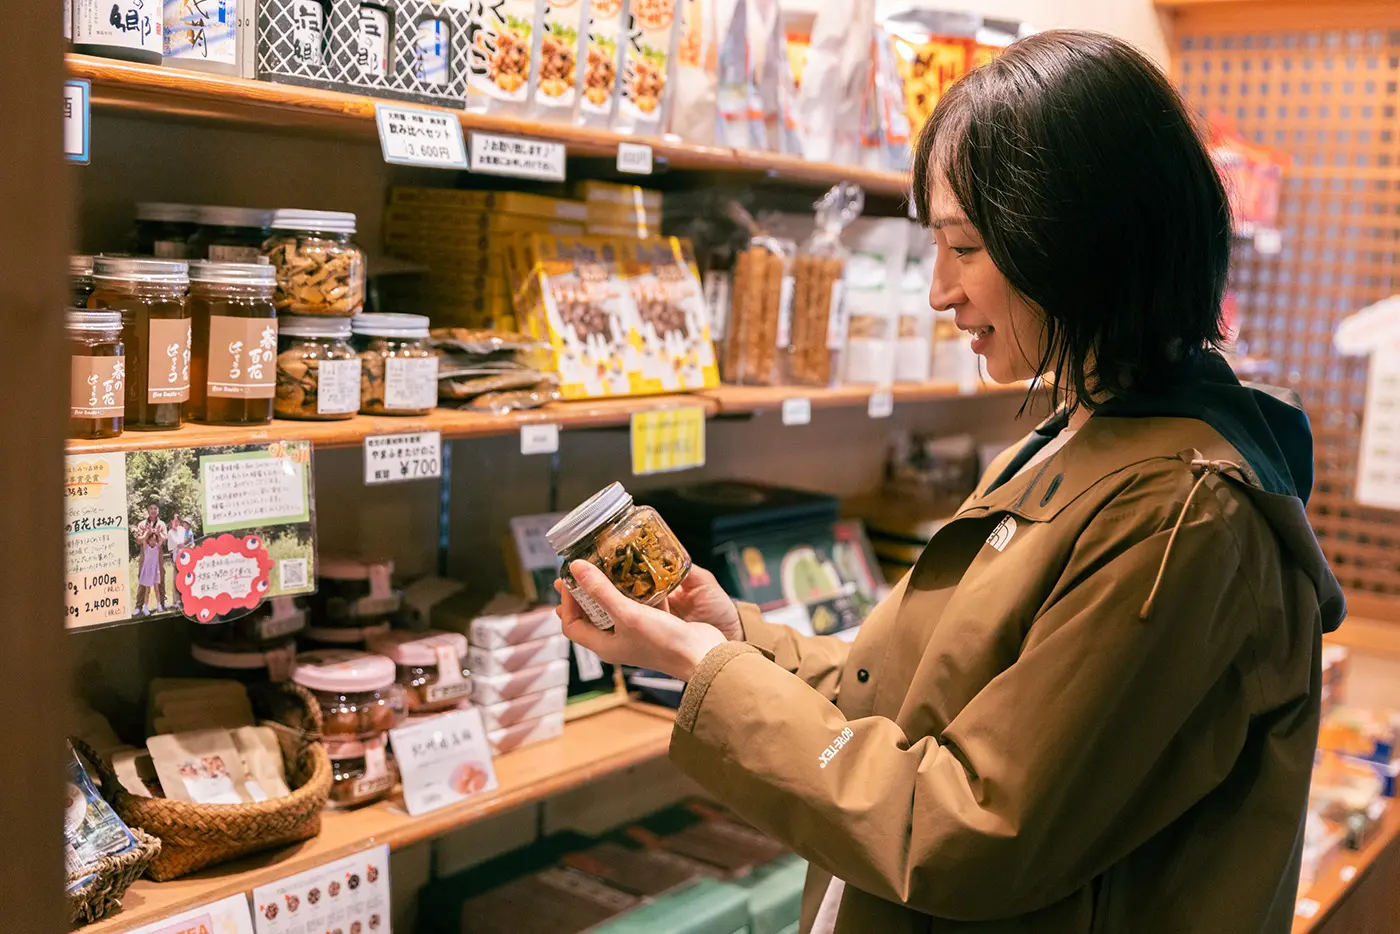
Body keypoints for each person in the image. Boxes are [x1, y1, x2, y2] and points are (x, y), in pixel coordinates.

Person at [558, 30, 1345, 934]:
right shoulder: (1079, 436)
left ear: (1079, 242)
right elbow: (913, 694)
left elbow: (968, 826)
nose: (939, 293)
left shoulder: (1184, 520)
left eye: (964, 248)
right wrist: (731, 635)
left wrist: (710, 673)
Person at [132, 504, 168, 616]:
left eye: (155, 508)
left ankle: (162, 602)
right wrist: (146, 534)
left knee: (160, 577)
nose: (153, 511)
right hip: (145, 554)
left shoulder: (161, 524)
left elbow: (164, 540)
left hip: (158, 554)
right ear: (148, 510)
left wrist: (158, 533)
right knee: (143, 578)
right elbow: (138, 540)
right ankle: (139, 606)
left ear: (158, 510)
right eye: (151, 508)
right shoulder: (142, 524)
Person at [165, 513, 191, 611]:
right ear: (172, 522)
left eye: (177, 521)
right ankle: (176, 601)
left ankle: (185, 599)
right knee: (176, 579)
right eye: (174, 521)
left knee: (186, 578)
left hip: (185, 557)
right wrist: (181, 544)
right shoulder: (170, 532)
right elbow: (176, 544)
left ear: (179, 522)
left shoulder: (183, 530)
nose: (176, 523)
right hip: (176, 557)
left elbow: (186, 541)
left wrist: (184, 544)